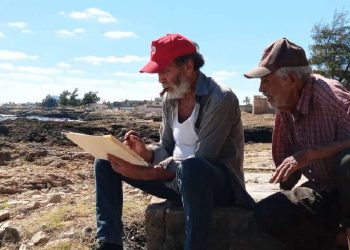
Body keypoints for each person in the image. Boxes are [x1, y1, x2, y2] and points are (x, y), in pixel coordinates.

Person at [94, 33, 254, 250]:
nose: (160, 78)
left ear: (188, 66)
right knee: (105, 161)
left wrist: (146, 172)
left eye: (165, 71)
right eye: (158, 73)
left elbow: (203, 158)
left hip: (216, 186)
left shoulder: (220, 98)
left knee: (192, 169)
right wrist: (146, 154)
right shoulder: (170, 98)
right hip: (175, 180)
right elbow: (168, 147)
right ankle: (109, 244)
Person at [244, 37, 350, 250]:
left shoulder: (330, 95)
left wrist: (312, 154)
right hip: (324, 190)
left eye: (266, 80)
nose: (261, 88)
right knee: (268, 213)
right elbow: (286, 163)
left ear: (290, 78)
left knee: (347, 162)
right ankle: (338, 239)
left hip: (347, 190)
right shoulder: (284, 105)